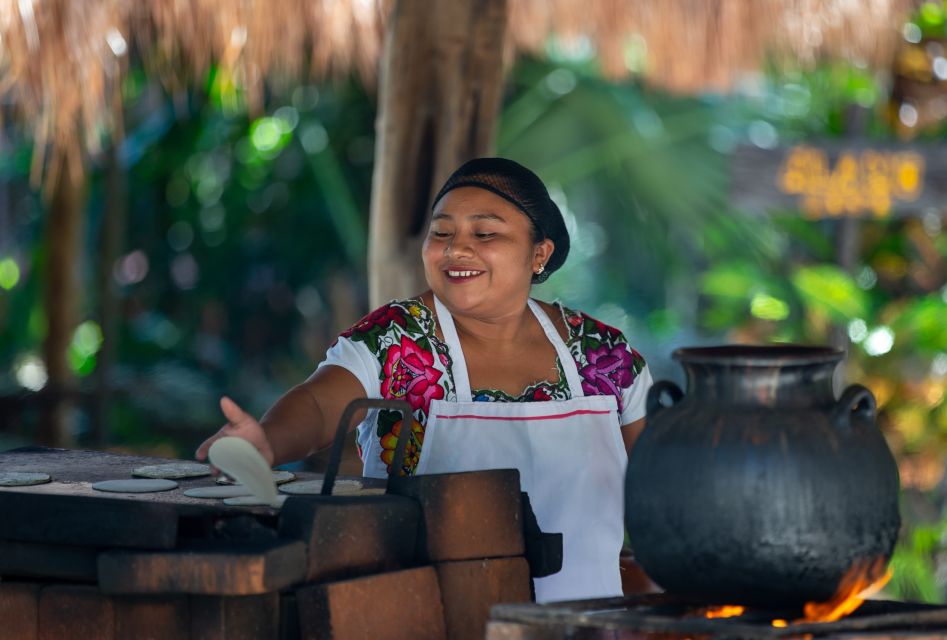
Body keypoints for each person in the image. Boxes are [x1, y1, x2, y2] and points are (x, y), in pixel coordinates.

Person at [196, 157, 653, 602]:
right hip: (427, 621)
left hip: (587, 624)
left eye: (485, 232)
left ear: (540, 253)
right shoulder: (397, 338)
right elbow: (319, 404)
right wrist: (267, 442)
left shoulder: (600, 353)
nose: (456, 249)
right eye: (442, 233)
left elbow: (661, 476)